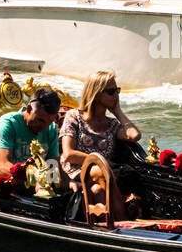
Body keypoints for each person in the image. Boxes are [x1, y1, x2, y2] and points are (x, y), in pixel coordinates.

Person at [59, 71, 142, 206]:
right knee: (115, 176)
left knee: (127, 174)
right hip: (76, 171)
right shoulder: (74, 117)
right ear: (96, 94)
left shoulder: (112, 124)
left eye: (117, 91)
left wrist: (118, 111)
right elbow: (69, 154)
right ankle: (121, 217)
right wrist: (101, 162)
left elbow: (134, 135)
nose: (116, 96)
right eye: (111, 92)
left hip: (106, 174)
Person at [0, 87, 62, 177]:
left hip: (32, 186)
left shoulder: (51, 129)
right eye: (40, 120)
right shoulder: (7, 124)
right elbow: (2, 168)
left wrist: (70, 183)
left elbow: (54, 168)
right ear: (29, 109)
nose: (44, 127)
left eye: (49, 122)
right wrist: (37, 180)